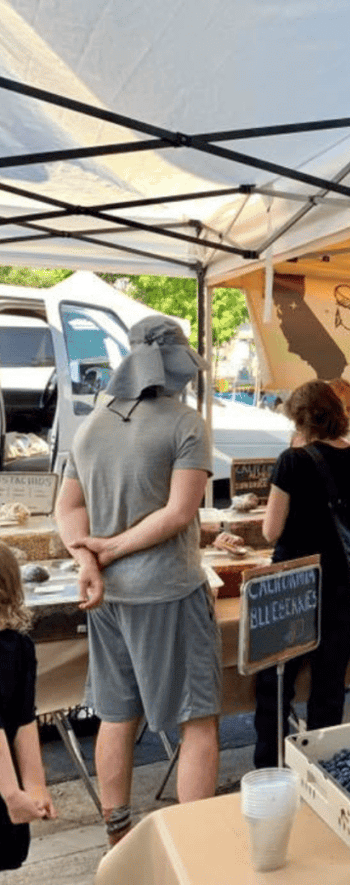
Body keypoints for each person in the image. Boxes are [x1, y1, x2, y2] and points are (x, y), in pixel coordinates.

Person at [54, 315, 220, 847]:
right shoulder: (186, 423)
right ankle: (194, 848)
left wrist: (90, 561)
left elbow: (67, 508)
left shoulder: (91, 424)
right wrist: (110, 549)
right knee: (198, 720)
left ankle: (117, 840)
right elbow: (179, 513)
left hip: (105, 595)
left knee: (116, 714)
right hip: (169, 589)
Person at [253, 380, 350, 768]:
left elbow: (270, 531)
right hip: (342, 584)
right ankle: (323, 766)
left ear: (299, 418)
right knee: (330, 682)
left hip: (292, 584)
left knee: (276, 681)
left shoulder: (291, 461)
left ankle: (272, 765)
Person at [0, 542, 56, 870]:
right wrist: (28, 787)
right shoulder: (19, 646)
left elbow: (23, 718)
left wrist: (23, 789)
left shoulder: (20, 648)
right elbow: (25, 719)